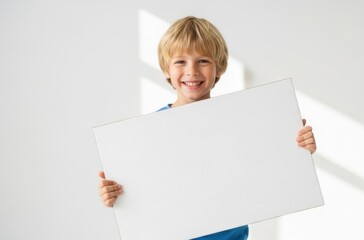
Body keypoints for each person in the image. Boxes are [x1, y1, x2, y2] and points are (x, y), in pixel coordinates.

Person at [98, 16, 317, 240]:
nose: (192, 71)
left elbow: (266, 164)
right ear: (166, 69)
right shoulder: (148, 134)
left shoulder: (241, 123)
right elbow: (144, 193)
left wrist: (298, 149)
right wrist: (116, 196)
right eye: (180, 62)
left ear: (219, 68)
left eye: (203, 61)